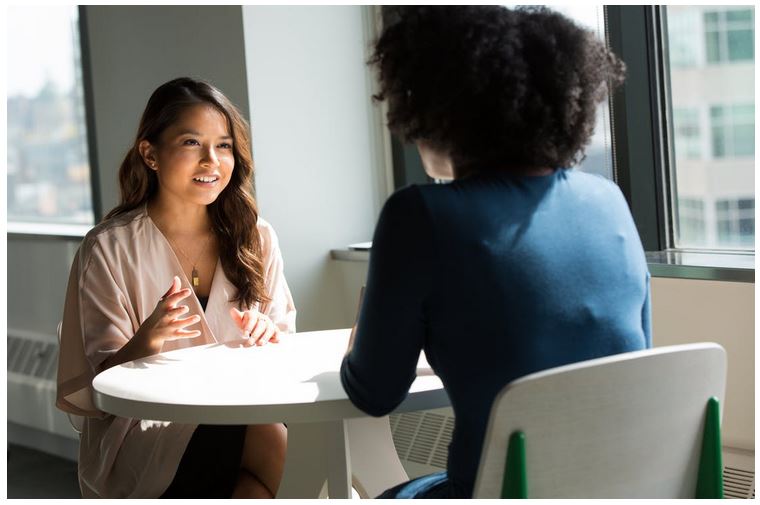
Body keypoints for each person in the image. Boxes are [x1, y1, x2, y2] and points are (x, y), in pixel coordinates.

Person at [340, 6, 650, 499]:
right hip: (624, 488)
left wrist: (363, 340)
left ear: (439, 109)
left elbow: (374, 393)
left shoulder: (419, 215)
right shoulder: (609, 202)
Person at [56, 77, 296, 498]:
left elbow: (285, 347)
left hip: (245, 410)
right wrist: (145, 342)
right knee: (271, 439)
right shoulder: (109, 248)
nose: (212, 161)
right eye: (191, 143)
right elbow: (100, 389)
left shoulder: (256, 237)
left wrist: (268, 334)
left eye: (223, 145)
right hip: (144, 431)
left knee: (267, 452)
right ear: (150, 154)